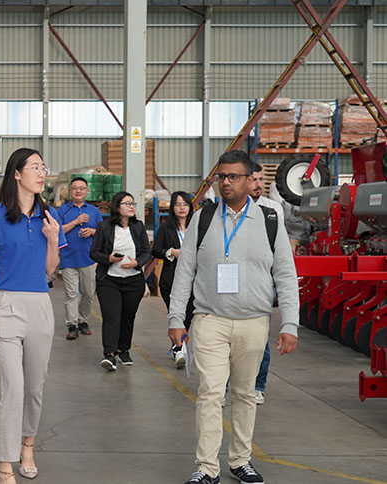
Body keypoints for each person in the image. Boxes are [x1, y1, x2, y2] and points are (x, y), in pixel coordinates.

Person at [168, 150, 299, 484]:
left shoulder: (270, 219)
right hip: (209, 320)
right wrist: (175, 318)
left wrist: (289, 323)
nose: (225, 182)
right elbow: (185, 272)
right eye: (221, 176)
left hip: (254, 322)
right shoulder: (203, 218)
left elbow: (285, 273)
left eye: (233, 176)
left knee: (244, 394)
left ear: (250, 179)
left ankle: (241, 461)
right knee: (210, 393)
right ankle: (206, 467)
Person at [0, 148, 66, 484]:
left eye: (43, 167)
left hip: (39, 304)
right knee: (13, 387)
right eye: (35, 167)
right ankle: (4, 466)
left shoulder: (49, 216)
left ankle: (28, 446)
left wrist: (53, 239)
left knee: (35, 386)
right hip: (4, 306)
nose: (42, 173)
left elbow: (50, 270)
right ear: (16, 173)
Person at [89, 191, 151, 371]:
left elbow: (146, 251)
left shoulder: (138, 226)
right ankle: (109, 354)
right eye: (127, 203)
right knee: (112, 316)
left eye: (133, 204)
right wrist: (108, 259)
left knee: (128, 316)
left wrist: (137, 263)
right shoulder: (104, 227)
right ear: (117, 207)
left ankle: (124, 349)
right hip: (109, 280)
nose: (131, 207)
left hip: (133, 281)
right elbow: (94, 252)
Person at [249, 163, 285, 405]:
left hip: (263, 281)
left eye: (261, 179)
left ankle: (258, 386)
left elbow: (279, 251)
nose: (258, 185)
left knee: (260, 337)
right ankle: (227, 386)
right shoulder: (225, 211)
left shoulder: (272, 210)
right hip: (235, 282)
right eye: (254, 179)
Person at [151, 191, 195, 369]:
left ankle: (179, 345)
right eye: (178, 204)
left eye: (185, 204)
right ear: (172, 207)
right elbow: (156, 250)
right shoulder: (166, 228)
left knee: (189, 315)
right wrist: (171, 252)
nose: (182, 208)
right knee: (176, 314)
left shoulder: (196, 226)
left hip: (194, 280)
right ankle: (179, 349)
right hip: (171, 279)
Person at [56, 177, 103, 340]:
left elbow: (103, 233)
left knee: (88, 293)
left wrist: (92, 232)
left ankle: (83, 320)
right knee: (71, 294)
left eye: (82, 188)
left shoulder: (94, 211)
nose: (78, 191)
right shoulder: (62, 211)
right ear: (70, 191)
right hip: (68, 258)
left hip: (88, 258)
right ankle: (72, 324)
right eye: (75, 188)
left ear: (87, 191)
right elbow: (57, 231)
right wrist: (76, 222)